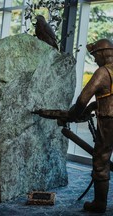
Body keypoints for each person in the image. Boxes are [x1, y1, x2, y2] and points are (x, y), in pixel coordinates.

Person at [68, 38, 113, 213]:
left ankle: (99, 203)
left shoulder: (102, 72)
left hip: (109, 121)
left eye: (95, 56)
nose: (94, 60)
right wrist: (95, 106)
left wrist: (73, 114)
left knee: (101, 160)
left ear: (102, 54)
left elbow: (82, 99)